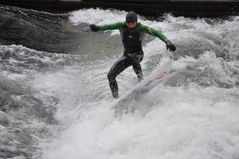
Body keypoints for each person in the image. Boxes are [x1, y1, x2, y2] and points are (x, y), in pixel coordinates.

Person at [89, 11, 176, 98]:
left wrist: (167, 42)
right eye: (128, 23)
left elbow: (157, 33)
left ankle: (141, 80)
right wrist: (97, 28)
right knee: (110, 76)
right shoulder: (121, 25)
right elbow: (108, 26)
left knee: (133, 58)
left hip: (138, 54)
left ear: (136, 22)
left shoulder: (142, 28)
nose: (130, 25)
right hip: (126, 55)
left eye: (132, 23)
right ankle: (115, 97)